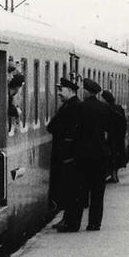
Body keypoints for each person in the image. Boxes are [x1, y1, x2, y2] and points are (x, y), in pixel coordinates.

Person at [47, 76, 85, 230]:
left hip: (69, 156)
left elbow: (54, 127)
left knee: (71, 190)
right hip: (68, 155)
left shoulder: (73, 107)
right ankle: (67, 219)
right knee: (68, 189)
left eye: (61, 90)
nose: (59, 93)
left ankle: (71, 222)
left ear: (70, 90)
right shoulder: (72, 105)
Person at [77, 78, 112, 231]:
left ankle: (75, 222)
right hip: (100, 155)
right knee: (98, 192)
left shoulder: (81, 108)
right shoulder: (105, 108)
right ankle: (94, 223)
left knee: (81, 189)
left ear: (86, 91)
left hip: (83, 155)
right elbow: (110, 130)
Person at [101, 89, 127, 182]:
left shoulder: (106, 109)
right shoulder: (119, 108)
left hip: (110, 138)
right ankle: (115, 175)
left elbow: (105, 124)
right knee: (116, 157)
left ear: (105, 99)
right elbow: (124, 123)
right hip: (119, 137)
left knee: (110, 157)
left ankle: (113, 176)